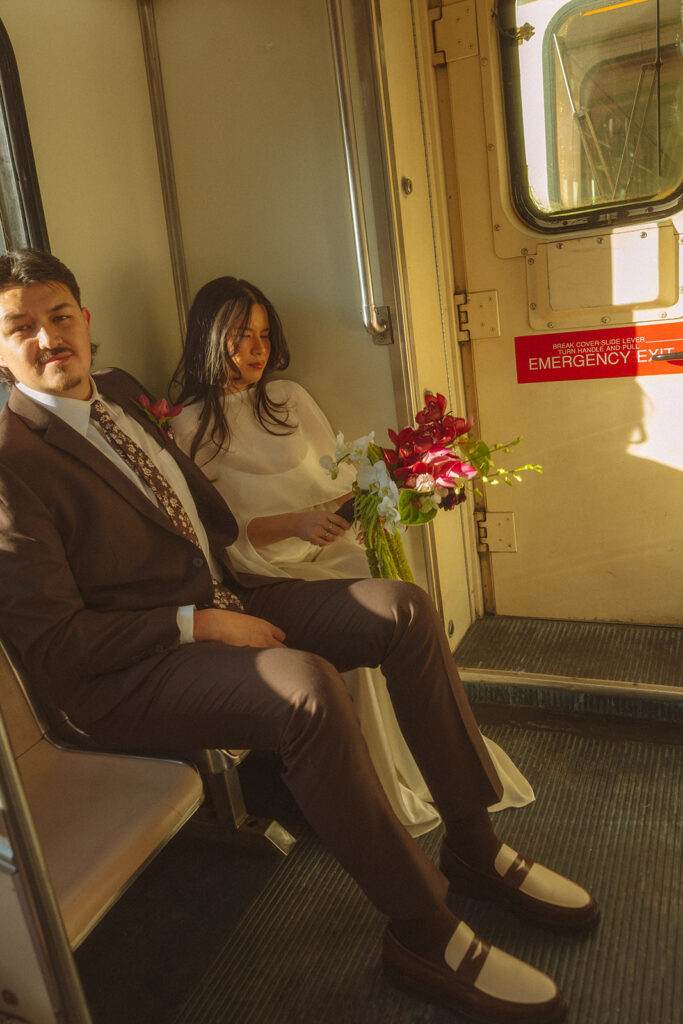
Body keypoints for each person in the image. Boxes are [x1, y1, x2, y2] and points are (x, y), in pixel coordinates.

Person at [0, 249, 598, 1024]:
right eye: (19, 328)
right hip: (131, 669)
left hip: (225, 586)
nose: (48, 339)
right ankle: (422, 929)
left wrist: (253, 563)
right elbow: (57, 647)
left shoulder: (116, 392)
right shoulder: (12, 461)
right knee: (306, 689)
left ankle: (473, 844)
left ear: (87, 321)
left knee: (403, 610)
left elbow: (187, 510)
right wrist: (199, 622)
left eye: (58, 317)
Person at [170, 276, 535, 837]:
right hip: (269, 576)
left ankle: (454, 789)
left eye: (265, 334)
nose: (258, 349)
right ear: (208, 336)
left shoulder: (288, 398)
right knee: (370, 617)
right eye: (243, 335)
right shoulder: (186, 427)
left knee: (393, 593)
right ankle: (383, 789)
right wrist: (298, 523)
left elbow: (336, 474)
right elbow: (223, 536)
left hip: (327, 549)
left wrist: (375, 496)